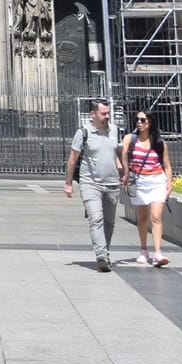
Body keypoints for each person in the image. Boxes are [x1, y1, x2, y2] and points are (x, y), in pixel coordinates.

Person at [63, 99, 122, 272]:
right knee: (96, 218)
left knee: (109, 223)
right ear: (93, 114)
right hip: (90, 183)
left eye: (108, 113)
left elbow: (118, 153)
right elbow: (73, 159)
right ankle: (101, 255)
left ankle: (105, 251)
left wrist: (124, 172)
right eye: (104, 113)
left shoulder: (115, 131)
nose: (107, 116)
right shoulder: (83, 133)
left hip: (112, 182)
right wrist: (68, 183)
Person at [120, 108, 173, 266]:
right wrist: (124, 171)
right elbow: (120, 153)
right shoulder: (131, 138)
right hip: (139, 181)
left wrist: (169, 183)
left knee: (156, 217)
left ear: (150, 122)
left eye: (143, 120)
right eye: (137, 119)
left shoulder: (159, 143)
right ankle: (144, 250)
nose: (139, 122)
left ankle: (158, 252)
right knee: (142, 218)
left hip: (157, 180)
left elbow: (167, 166)